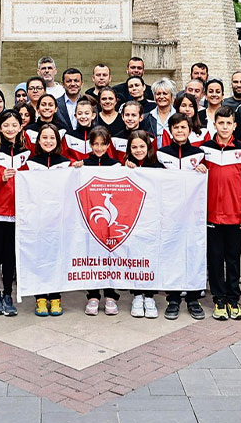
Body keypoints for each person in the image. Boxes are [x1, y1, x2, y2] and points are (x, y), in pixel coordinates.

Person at [200, 108, 241, 321]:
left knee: (232, 259)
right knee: (215, 258)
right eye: (220, 123)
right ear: (215, 124)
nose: (224, 127)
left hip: (234, 216)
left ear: (234, 125)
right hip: (211, 216)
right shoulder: (204, 150)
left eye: (228, 123)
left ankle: (233, 298)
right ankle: (219, 300)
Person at [157, 114, 208, 320]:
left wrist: (204, 171)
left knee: (194, 253)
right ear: (170, 130)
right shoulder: (161, 154)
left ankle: (194, 299)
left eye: (183, 127)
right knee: (171, 255)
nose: (179, 131)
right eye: (176, 127)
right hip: (169, 216)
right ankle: (174, 299)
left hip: (193, 216)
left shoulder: (200, 154)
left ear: (190, 130)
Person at [0, 111, 30, 316]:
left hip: (18, 213)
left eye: (14, 125)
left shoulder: (27, 152)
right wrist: (0, 178)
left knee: (11, 256)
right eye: (6, 125)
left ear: (20, 127)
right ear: (0, 128)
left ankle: (8, 294)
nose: (10, 129)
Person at [25, 124, 71, 316]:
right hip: (37, 219)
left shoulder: (67, 163)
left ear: (58, 141)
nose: (48, 141)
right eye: (44, 138)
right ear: (38, 140)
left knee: (56, 257)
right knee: (39, 257)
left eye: (52, 138)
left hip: (58, 219)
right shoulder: (30, 162)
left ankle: (56, 296)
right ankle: (40, 298)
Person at [81, 126, 123, 315]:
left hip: (110, 222)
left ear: (108, 145)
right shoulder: (82, 164)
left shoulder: (115, 165)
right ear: (90, 145)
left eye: (102, 144)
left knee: (110, 255)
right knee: (91, 255)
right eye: (95, 144)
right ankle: (93, 294)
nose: (98, 148)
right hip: (89, 220)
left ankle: (110, 294)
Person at [124, 130, 164, 319]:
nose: (138, 150)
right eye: (134, 147)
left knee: (151, 256)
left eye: (142, 146)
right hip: (132, 221)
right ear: (129, 149)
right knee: (135, 257)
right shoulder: (125, 167)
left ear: (149, 147)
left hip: (152, 221)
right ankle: (137, 295)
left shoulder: (158, 167)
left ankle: (150, 296)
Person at [62, 97, 97, 161]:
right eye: (80, 113)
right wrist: (73, 162)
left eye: (87, 113)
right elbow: (63, 157)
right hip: (74, 170)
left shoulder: (100, 135)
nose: (83, 117)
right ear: (75, 116)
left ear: (93, 115)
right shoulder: (68, 136)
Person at [147, 79, 177, 144]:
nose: (161, 97)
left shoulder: (179, 117)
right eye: (158, 94)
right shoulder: (147, 118)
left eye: (165, 93)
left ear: (172, 96)